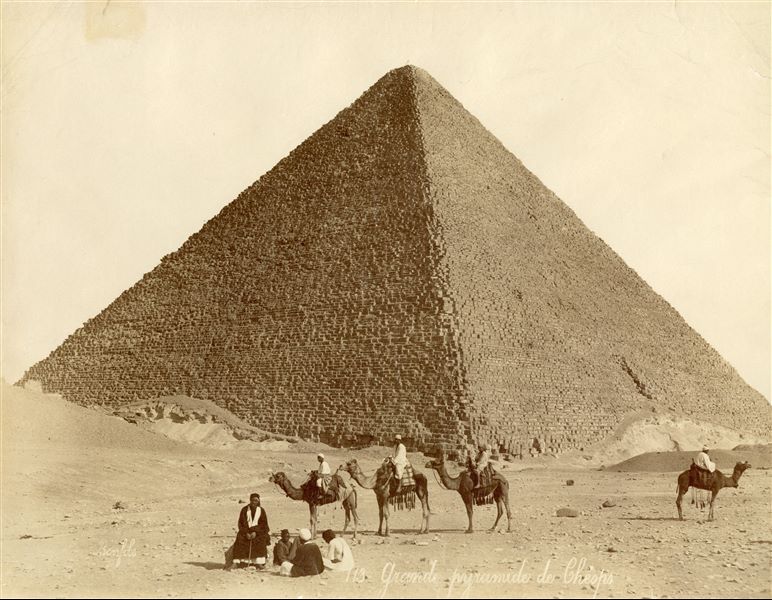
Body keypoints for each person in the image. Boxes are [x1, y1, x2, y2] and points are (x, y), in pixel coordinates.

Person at [232, 493, 270, 569]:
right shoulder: (244, 509)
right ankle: (239, 562)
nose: (254, 502)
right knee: (240, 538)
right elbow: (241, 523)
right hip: (246, 531)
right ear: (250, 500)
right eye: (252, 500)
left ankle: (259, 563)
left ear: (258, 501)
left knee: (261, 539)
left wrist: (255, 531)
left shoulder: (261, 510)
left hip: (258, 532)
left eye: (256, 500)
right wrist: (246, 533)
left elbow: (264, 524)